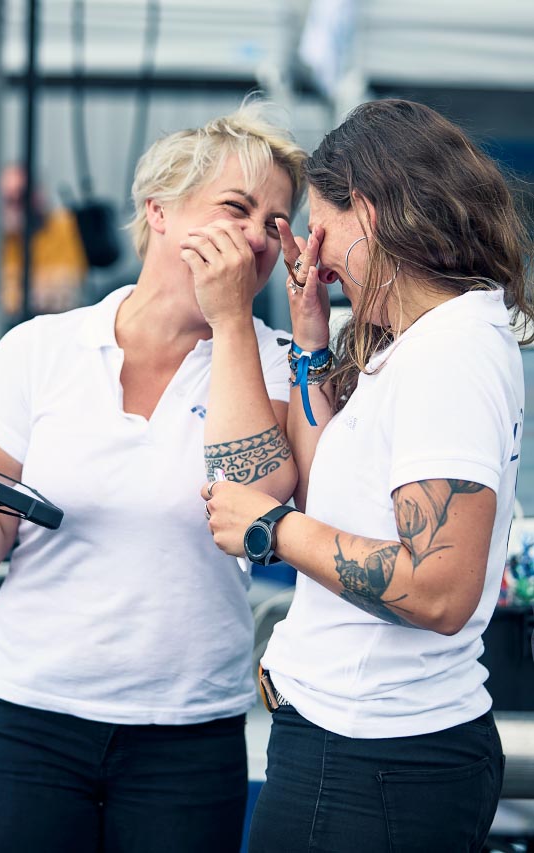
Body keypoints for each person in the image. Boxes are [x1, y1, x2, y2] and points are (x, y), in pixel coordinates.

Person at [0, 101, 308, 852]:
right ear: (158, 209)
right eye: (236, 207)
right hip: (27, 720)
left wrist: (229, 323)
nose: (257, 236)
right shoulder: (38, 350)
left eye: (275, 221)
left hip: (188, 732)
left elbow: (253, 506)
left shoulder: (280, 361)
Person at [203, 99, 534, 853]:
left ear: (372, 214)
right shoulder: (416, 343)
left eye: (323, 233)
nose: (315, 261)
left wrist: (271, 528)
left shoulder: (449, 353)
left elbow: (440, 589)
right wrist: (311, 341)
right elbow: (331, 488)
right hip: (359, 749)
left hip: (372, 762)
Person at [0, 163, 89, 316]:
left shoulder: (66, 226)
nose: (15, 206)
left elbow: (70, 287)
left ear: (39, 194)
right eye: (8, 199)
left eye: (22, 197)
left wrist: (8, 287)